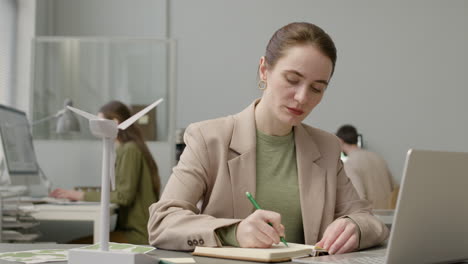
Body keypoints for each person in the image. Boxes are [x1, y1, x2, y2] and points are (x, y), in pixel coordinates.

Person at [148, 22, 388, 254]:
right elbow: (162, 223)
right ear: (264, 69)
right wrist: (233, 232)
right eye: (292, 80)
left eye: (317, 88)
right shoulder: (209, 138)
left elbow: (368, 220)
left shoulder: (326, 147)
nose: (302, 97)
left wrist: (355, 227)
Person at [50, 100, 161, 245]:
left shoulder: (130, 150)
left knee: (69, 247)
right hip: (132, 231)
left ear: (115, 122)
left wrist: (80, 195)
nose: (96, 128)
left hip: (137, 235)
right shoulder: (127, 149)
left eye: (100, 122)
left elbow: (123, 196)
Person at [336, 124, 394, 209]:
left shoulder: (350, 164)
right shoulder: (377, 157)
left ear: (340, 141)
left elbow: (358, 198)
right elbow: (392, 187)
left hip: (370, 217)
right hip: (388, 216)